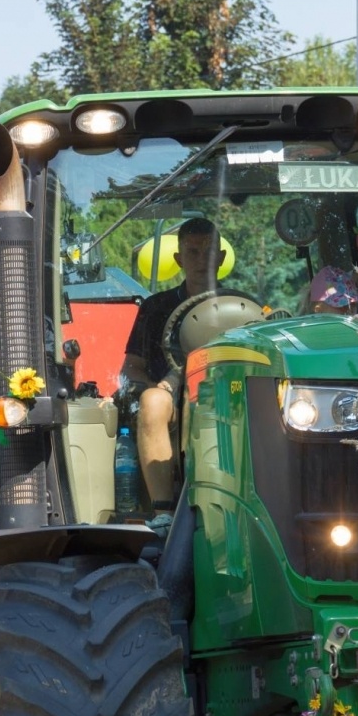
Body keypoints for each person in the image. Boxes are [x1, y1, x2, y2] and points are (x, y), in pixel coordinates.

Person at [120, 217, 224, 521]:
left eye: (209, 251)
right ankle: (164, 513)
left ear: (221, 257)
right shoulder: (155, 308)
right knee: (153, 401)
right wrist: (161, 386)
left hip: (228, 392)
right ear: (179, 259)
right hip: (173, 402)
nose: (201, 260)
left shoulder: (241, 305)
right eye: (192, 252)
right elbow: (131, 369)